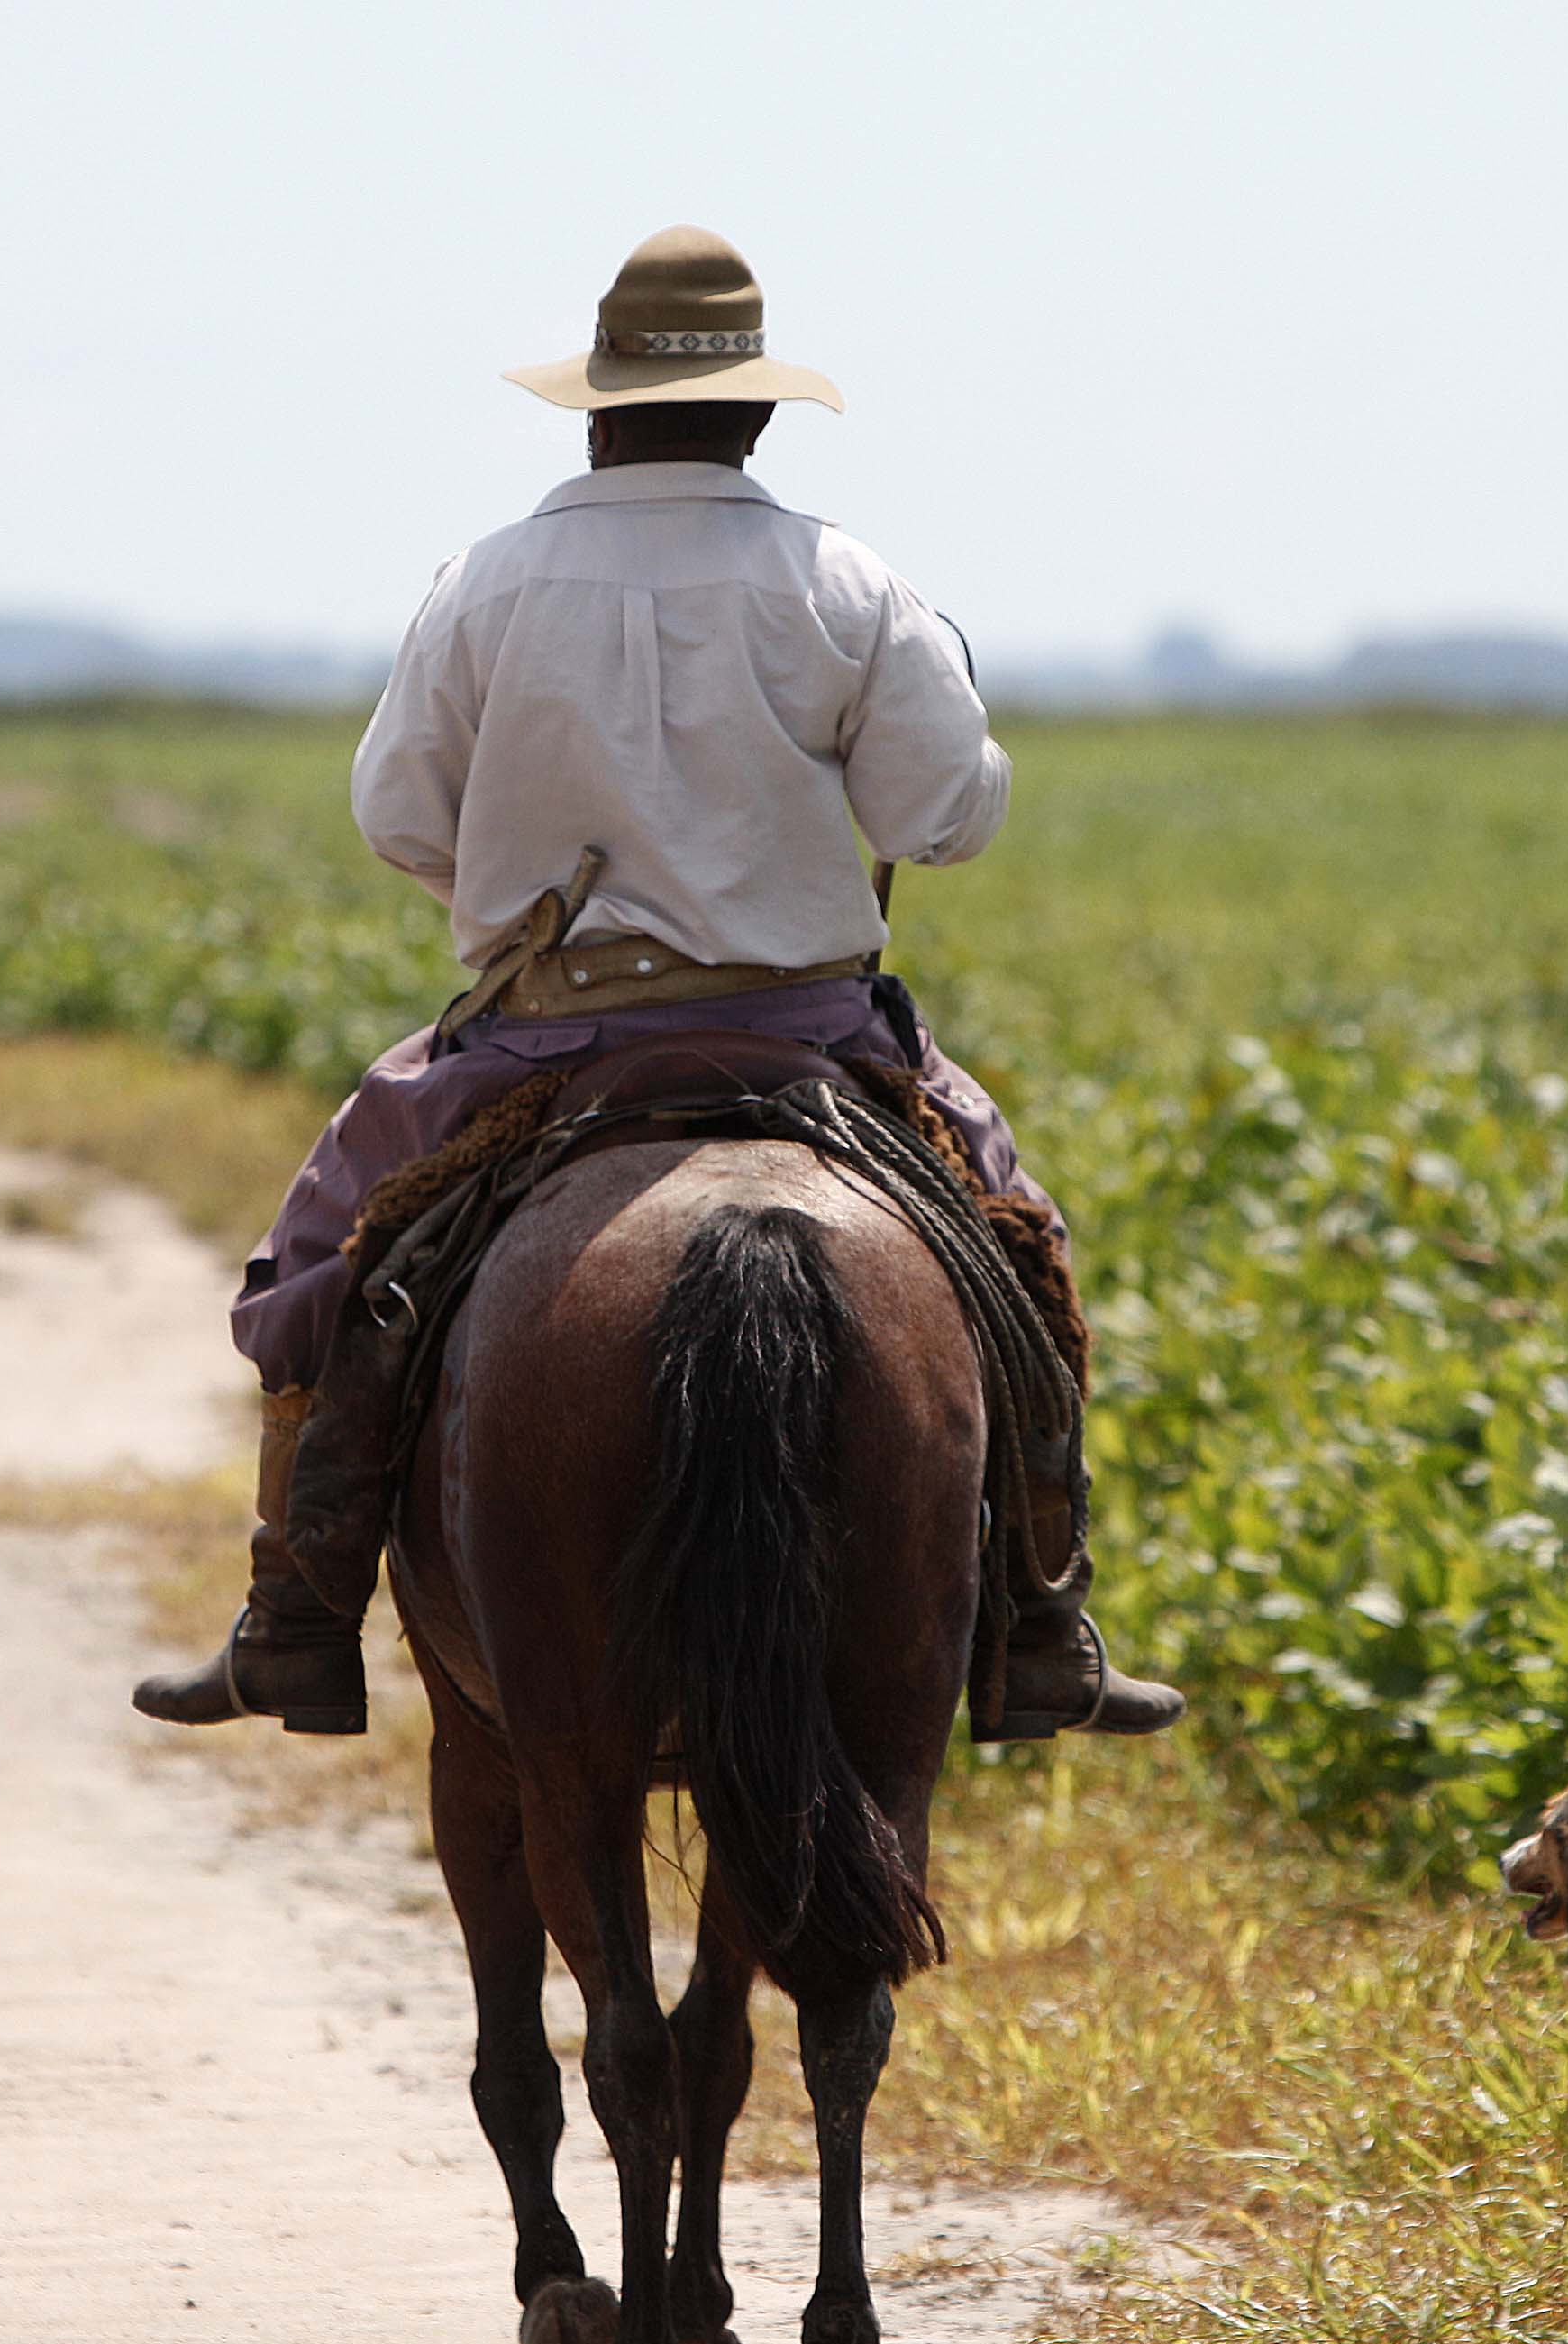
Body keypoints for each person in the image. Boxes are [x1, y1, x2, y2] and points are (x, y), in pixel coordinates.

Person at [133, 226, 1183, 1748]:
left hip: (544, 1035)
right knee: (1022, 1252)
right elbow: (944, 822)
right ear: (757, 418)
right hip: (817, 1036)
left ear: (597, 407)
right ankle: (1042, 1616)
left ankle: (295, 1610)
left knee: (329, 1258)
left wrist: (512, 907)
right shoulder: (851, 583)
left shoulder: (484, 583)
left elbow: (394, 817)